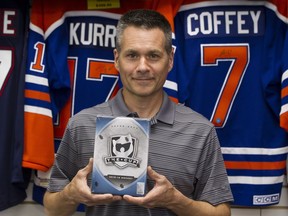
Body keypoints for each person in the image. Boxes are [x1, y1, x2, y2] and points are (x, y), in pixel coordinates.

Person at [43, 9, 234, 216]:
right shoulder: (82, 124)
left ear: (170, 59)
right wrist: (71, 194)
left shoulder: (201, 131)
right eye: (132, 55)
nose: (142, 67)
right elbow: (52, 208)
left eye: (153, 55)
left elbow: (221, 212)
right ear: (117, 59)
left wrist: (176, 201)